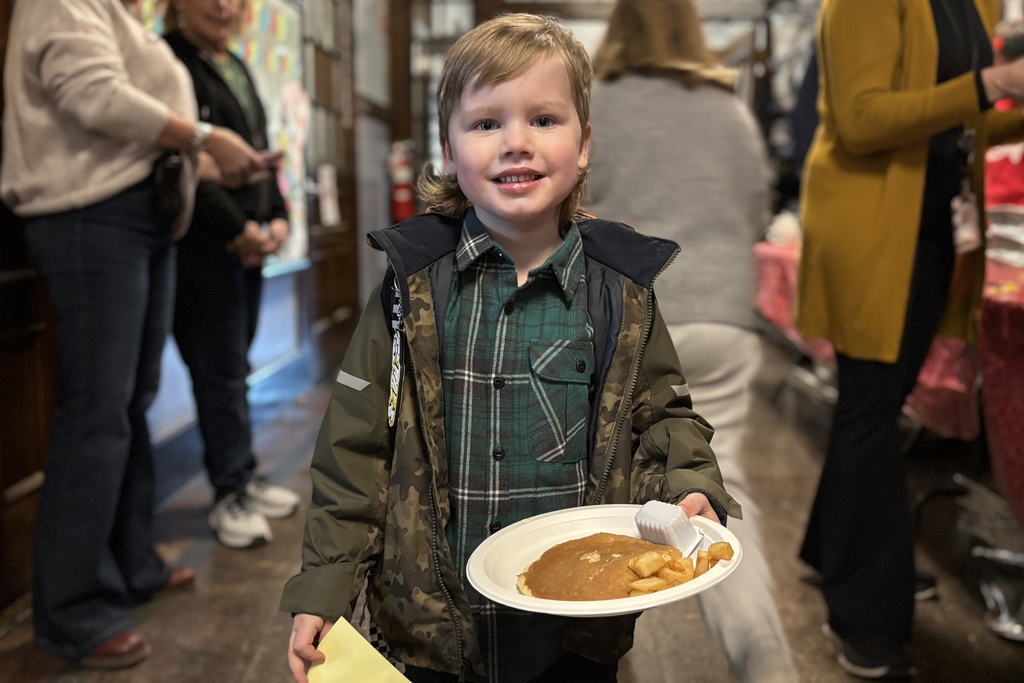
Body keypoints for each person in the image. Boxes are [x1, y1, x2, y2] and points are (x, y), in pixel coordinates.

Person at [281, 13, 741, 683]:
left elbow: (663, 417)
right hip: (428, 628)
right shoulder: (410, 290)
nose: (516, 142)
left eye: (544, 120)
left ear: (584, 144)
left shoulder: (621, 293)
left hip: (570, 631)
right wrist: (323, 587)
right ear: (448, 146)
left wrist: (689, 485)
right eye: (486, 122)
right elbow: (355, 453)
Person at [0, 0, 273, 669]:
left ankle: (130, 562)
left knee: (128, 402)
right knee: (98, 407)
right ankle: (72, 611)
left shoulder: (117, 14)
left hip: (135, 218)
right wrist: (203, 138)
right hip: (90, 219)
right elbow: (91, 95)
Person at [796, 0, 1024, 679]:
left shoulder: (972, 2)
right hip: (870, 227)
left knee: (876, 398)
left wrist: (1000, 95)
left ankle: (832, 551)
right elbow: (862, 120)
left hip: (929, 228)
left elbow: (971, 119)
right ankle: (864, 617)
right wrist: (991, 83)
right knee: (872, 404)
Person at [585, 1, 798, 682]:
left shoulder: (593, 106)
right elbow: (757, 211)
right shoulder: (728, 111)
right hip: (726, 317)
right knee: (719, 489)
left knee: (618, 501)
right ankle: (766, 661)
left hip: (633, 317)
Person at [162, 0, 300, 549]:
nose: (222, 6)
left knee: (235, 364)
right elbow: (193, 167)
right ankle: (228, 493)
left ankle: (242, 473)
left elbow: (256, 160)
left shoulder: (236, 65)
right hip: (199, 243)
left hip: (244, 244)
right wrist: (237, 226)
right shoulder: (173, 62)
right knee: (216, 368)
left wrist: (276, 220)